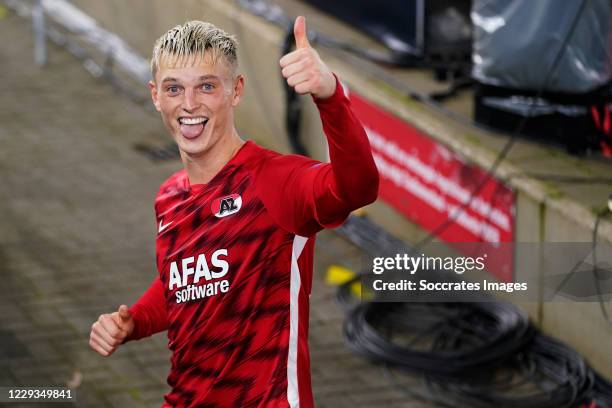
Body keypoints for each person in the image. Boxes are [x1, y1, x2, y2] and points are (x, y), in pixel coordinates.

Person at [89, 16, 378, 407]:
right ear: (156, 95)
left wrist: (330, 98)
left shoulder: (276, 181)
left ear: (235, 90)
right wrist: (135, 321)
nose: (189, 105)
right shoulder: (169, 197)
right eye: (175, 89)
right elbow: (182, 280)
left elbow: (358, 188)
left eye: (206, 87)